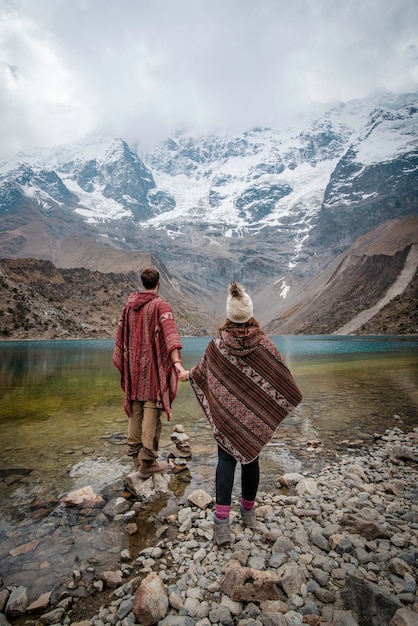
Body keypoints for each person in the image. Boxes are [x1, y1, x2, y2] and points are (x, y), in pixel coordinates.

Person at [179, 282, 303, 545]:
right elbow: (282, 378)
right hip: (254, 420)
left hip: (227, 420)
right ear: (250, 314)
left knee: (225, 461)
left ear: (229, 316)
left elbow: (201, 373)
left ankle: (222, 525)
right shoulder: (265, 345)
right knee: (252, 459)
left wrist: (186, 375)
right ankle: (248, 515)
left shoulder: (216, 346)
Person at [113, 266, 187, 479]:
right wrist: (176, 363)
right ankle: (148, 462)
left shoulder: (128, 307)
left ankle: (135, 458)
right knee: (152, 412)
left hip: (133, 369)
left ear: (142, 283)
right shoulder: (161, 306)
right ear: (159, 283)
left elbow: (121, 335)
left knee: (135, 408)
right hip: (152, 370)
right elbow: (170, 335)